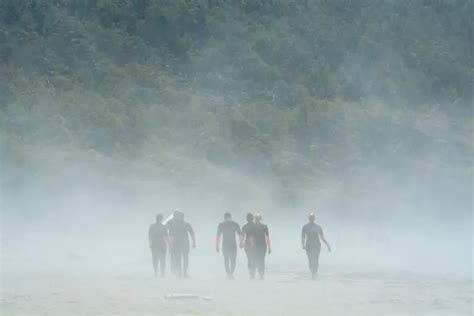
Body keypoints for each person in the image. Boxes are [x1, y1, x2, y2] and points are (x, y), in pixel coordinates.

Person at [301, 212, 331, 279]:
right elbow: (303, 237)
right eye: (311, 218)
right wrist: (303, 245)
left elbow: (322, 238)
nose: (311, 219)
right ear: (310, 218)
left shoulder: (317, 227)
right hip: (310, 246)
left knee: (315, 260)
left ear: (313, 218)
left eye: (312, 218)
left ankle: (314, 273)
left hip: (315, 246)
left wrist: (328, 245)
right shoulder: (305, 227)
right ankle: (313, 273)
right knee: (312, 260)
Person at [166, 211, 196, 278]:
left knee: (179, 258)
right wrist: (193, 243)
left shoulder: (171, 224)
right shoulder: (186, 224)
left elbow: (166, 233)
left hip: (177, 243)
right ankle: (183, 273)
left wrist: (168, 243)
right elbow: (192, 234)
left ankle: (180, 273)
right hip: (183, 243)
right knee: (184, 258)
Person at [216, 213, 243, 279]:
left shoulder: (221, 225)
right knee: (233, 260)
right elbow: (240, 234)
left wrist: (217, 245)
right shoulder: (235, 224)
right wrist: (241, 243)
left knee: (226, 260)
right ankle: (231, 273)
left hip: (225, 245)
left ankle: (228, 274)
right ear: (230, 217)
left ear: (224, 217)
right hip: (233, 245)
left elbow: (218, 236)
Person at [252, 213, 271, 280]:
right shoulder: (264, 226)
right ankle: (260, 274)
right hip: (261, 246)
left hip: (258, 246)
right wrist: (269, 247)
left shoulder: (253, 226)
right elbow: (267, 237)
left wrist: (269, 247)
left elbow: (267, 237)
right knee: (260, 260)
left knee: (256, 260)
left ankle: (256, 275)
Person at [241, 213, 256, 279]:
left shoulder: (245, 226)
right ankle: (252, 272)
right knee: (253, 258)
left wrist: (241, 243)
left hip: (248, 244)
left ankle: (251, 272)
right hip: (255, 244)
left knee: (250, 258)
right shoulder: (256, 226)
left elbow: (242, 236)